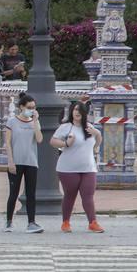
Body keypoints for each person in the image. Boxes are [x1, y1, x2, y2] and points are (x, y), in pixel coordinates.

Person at [52, 100, 104, 233]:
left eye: (80, 110)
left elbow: (96, 144)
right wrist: (66, 143)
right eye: (75, 109)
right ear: (71, 112)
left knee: (88, 195)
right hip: (68, 168)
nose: (77, 112)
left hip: (88, 167)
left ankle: (92, 222)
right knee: (70, 195)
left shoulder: (89, 127)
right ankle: (66, 222)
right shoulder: (66, 127)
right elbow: (53, 141)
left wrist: (97, 134)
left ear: (84, 112)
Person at [5, 92, 43, 233]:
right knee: (13, 193)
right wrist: (10, 162)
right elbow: (8, 143)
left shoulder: (34, 122)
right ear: (21, 107)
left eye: (33, 107)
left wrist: (35, 122)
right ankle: (9, 221)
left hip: (31, 162)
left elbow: (39, 140)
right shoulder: (12, 122)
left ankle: (31, 222)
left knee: (31, 193)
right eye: (29, 107)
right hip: (16, 161)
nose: (31, 110)